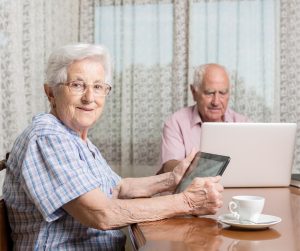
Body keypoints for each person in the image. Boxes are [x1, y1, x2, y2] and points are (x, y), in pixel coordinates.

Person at [2, 44, 224, 250]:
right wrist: (187, 202)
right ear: (51, 93)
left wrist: (172, 179)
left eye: (98, 86)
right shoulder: (48, 137)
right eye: (77, 85)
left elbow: (118, 187)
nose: (90, 97)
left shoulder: (75, 137)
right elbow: (101, 214)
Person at [158, 63, 248, 174]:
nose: (216, 101)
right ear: (194, 92)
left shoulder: (244, 123)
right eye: (209, 93)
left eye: (222, 93)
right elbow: (168, 166)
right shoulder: (176, 122)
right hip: (192, 189)